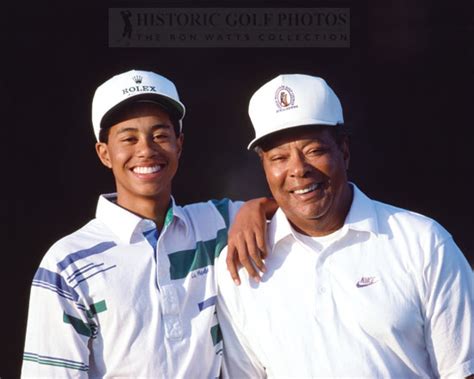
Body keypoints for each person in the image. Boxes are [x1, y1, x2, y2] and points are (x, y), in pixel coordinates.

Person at [21, 69, 275, 377]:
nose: (146, 149)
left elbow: (298, 208)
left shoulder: (215, 224)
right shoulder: (68, 262)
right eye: (129, 138)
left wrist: (257, 207)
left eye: (160, 135)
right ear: (104, 153)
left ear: (179, 145)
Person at [217, 74, 474, 378]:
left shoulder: (423, 243)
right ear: (265, 167)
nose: (298, 169)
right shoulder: (238, 267)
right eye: (279, 157)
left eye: (314, 150)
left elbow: (463, 370)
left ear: (344, 151)